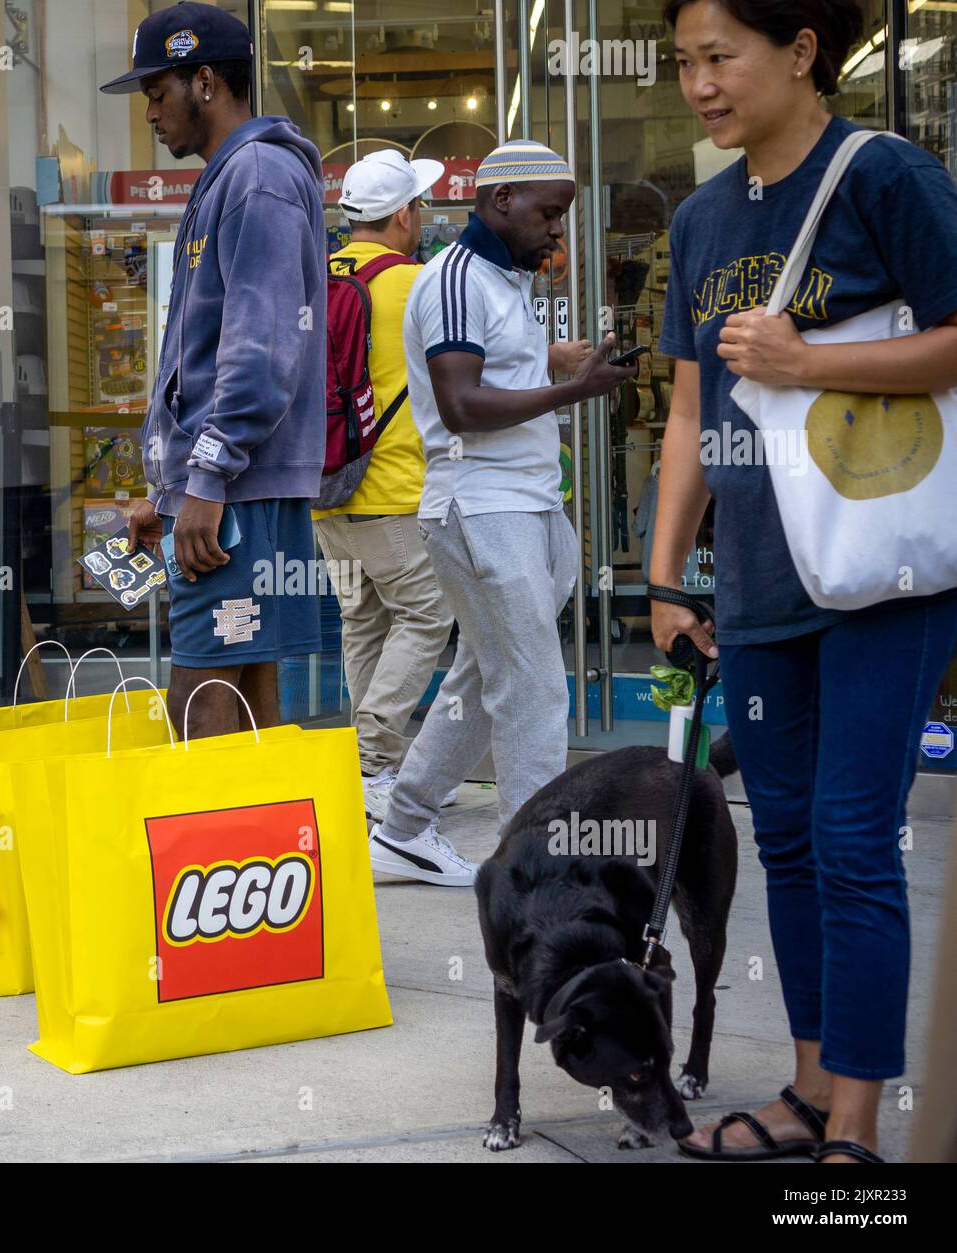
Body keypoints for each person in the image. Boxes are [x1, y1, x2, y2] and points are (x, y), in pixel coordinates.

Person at [656, 0, 957, 1163]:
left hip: (883, 566)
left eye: (719, 57)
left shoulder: (885, 175)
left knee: (848, 835)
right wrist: (666, 568)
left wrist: (807, 361)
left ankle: (856, 1126)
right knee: (780, 834)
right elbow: (689, 407)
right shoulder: (698, 217)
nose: (700, 85)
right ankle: (804, 1087)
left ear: (798, 52)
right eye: (683, 63)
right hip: (761, 575)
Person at [367, 140, 639, 887]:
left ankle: (402, 830)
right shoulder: (454, 278)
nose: (557, 230)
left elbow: (498, 377)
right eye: (549, 213)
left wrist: (566, 370)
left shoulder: (499, 279)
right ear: (497, 203)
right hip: (481, 507)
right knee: (536, 687)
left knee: (483, 678)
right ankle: (535, 871)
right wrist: (571, 393)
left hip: (524, 506)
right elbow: (459, 406)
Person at [105, 3, 326, 739]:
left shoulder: (256, 176)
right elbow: (209, 358)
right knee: (248, 701)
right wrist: (169, 489)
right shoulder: (237, 175)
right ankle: (271, 853)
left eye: (157, 92)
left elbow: (260, 351)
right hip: (233, 488)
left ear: (204, 81)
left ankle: (212, 856)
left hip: (236, 495)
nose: (150, 114)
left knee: (199, 711)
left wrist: (204, 481)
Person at [311, 150, 455, 819]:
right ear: (402, 214)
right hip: (394, 497)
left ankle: (370, 776)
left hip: (325, 494)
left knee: (362, 622)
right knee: (428, 614)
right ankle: (371, 757)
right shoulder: (417, 284)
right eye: (419, 206)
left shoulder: (312, 275)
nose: (421, 217)